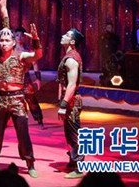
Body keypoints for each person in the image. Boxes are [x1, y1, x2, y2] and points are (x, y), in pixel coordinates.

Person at [0, 25, 42, 178]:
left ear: (13, 42)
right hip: (0, 99)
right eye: (1, 40)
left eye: (7, 40)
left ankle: (30, 163)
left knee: (23, 133)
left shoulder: (21, 55)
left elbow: (37, 55)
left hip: (17, 99)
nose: (4, 43)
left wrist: (36, 40)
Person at [56, 28, 86, 179]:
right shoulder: (68, 56)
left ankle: (79, 167)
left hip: (72, 102)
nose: (63, 35)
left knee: (74, 134)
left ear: (72, 41)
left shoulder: (71, 59)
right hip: (69, 100)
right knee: (69, 132)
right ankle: (73, 160)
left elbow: (72, 84)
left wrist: (63, 105)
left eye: (67, 35)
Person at [14, 27, 44, 128]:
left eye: (21, 36)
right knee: (14, 100)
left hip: (25, 78)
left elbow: (35, 65)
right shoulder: (10, 50)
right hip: (14, 79)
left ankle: (39, 119)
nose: (19, 38)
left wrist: (38, 79)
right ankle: (19, 121)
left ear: (25, 37)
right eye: (17, 35)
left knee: (31, 99)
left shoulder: (28, 51)